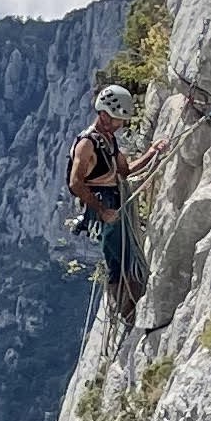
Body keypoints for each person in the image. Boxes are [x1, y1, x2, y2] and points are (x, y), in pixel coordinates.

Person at [68, 82, 163, 323]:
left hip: (114, 199)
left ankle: (130, 306)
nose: (121, 124)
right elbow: (75, 183)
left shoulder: (109, 140)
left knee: (126, 256)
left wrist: (153, 152)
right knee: (118, 260)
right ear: (103, 115)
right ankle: (127, 313)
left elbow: (125, 170)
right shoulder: (87, 144)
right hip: (103, 205)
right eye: (117, 119)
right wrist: (102, 211)